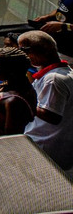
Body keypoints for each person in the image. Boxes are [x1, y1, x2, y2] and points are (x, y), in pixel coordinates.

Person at [19, 30, 73, 169]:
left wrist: (24, 100)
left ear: (45, 50)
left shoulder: (53, 79)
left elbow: (53, 116)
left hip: (43, 148)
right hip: (51, 148)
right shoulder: (61, 73)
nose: (24, 56)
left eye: (25, 50)